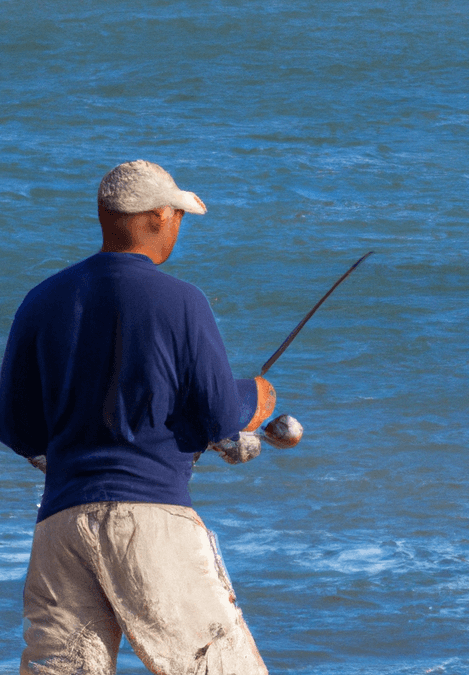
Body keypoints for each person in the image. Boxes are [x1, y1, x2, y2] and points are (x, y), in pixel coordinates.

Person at [0, 160, 275, 674]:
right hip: (149, 524)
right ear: (158, 217)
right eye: (178, 216)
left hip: (60, 527)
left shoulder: (40, 301)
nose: (178, 226)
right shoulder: (183, 300)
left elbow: (16, 427)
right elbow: (220, 415)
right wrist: (253, 398)